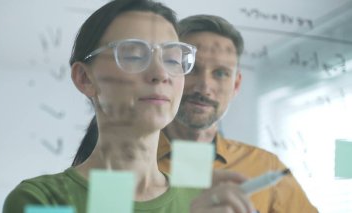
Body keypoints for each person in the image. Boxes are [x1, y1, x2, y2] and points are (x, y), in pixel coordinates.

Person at [3, 1, 254, 213]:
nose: (160, 73)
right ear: (85, 78)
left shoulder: (204, 200)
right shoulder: (45, 200)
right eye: (134, 56)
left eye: (172, 59)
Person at [73, 14, 318, 213]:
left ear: (235, 85)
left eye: (220, 73)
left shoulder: (267, 167)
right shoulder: (119, 164)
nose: (204, 86)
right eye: (191, 68)